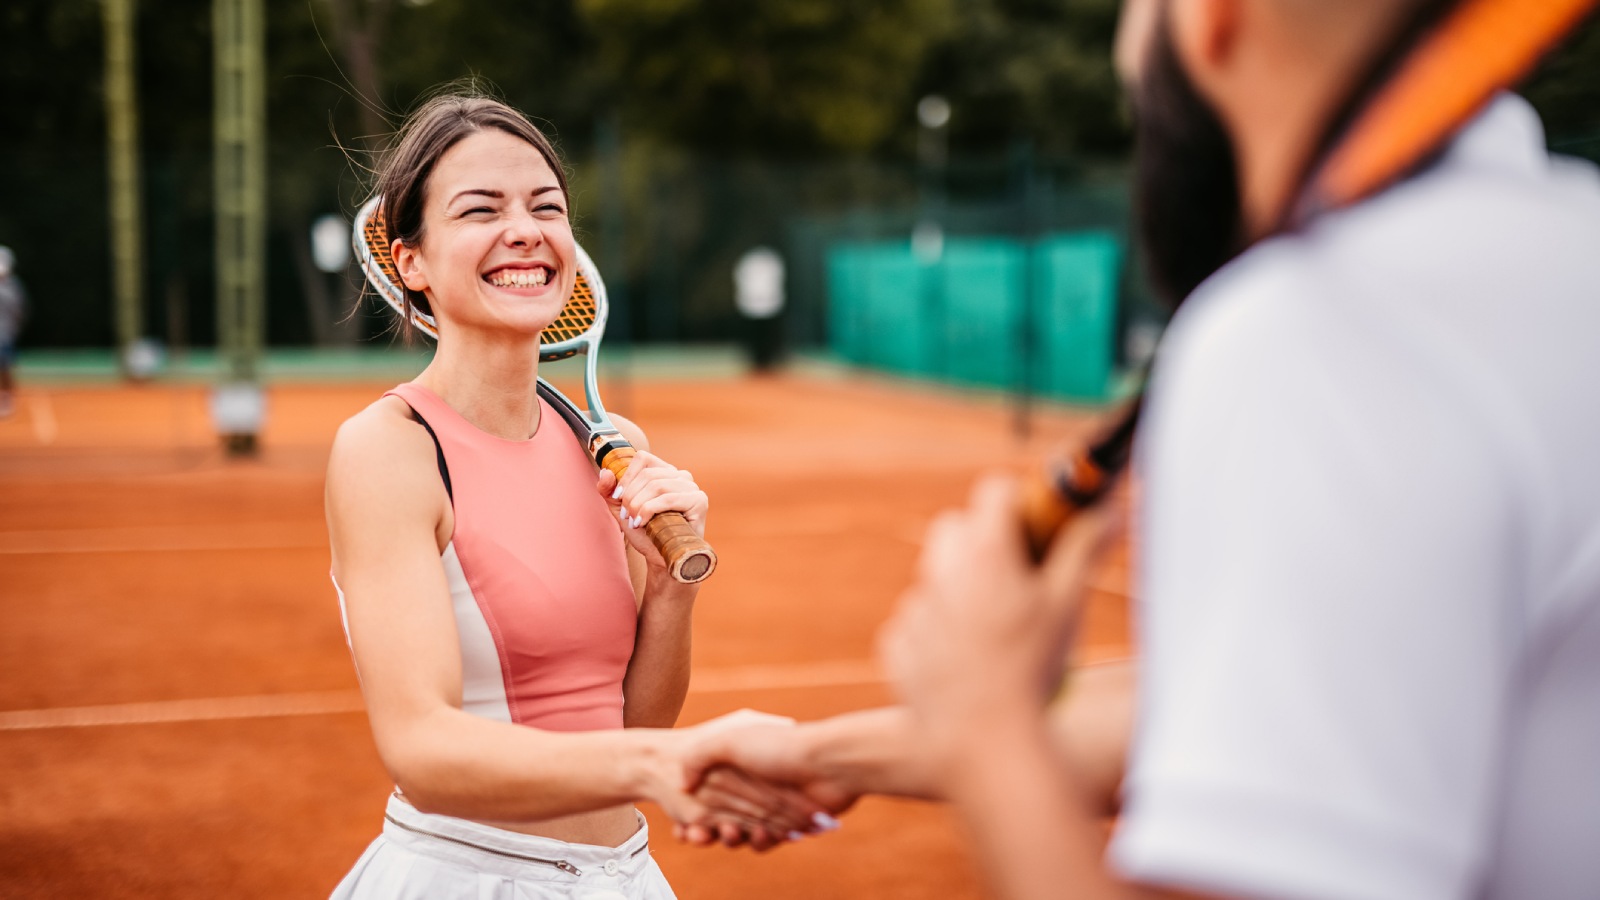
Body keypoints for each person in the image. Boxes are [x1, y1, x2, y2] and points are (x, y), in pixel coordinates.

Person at [683, 0, 1600, 898]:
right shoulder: (1566, 245)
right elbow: (1254, 717)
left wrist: (988, 724)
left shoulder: (1321, 326)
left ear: (1215, 17)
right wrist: (830, 755)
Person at [324, 91, 828, 900]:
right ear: (409, 261)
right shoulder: (389, 449)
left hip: (620, 878)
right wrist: (664, 764)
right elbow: (421, 748)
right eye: (481, 209)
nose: (525, 229)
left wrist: (670, 589)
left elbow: (631, 728)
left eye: (546, 207)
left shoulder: (611, 443)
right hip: (468, 876)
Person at [0, 245, 27, 418]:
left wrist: (13, 329)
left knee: (5, 368)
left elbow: (20, 311)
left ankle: (6, 398)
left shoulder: (14, 287)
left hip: (5, 335)